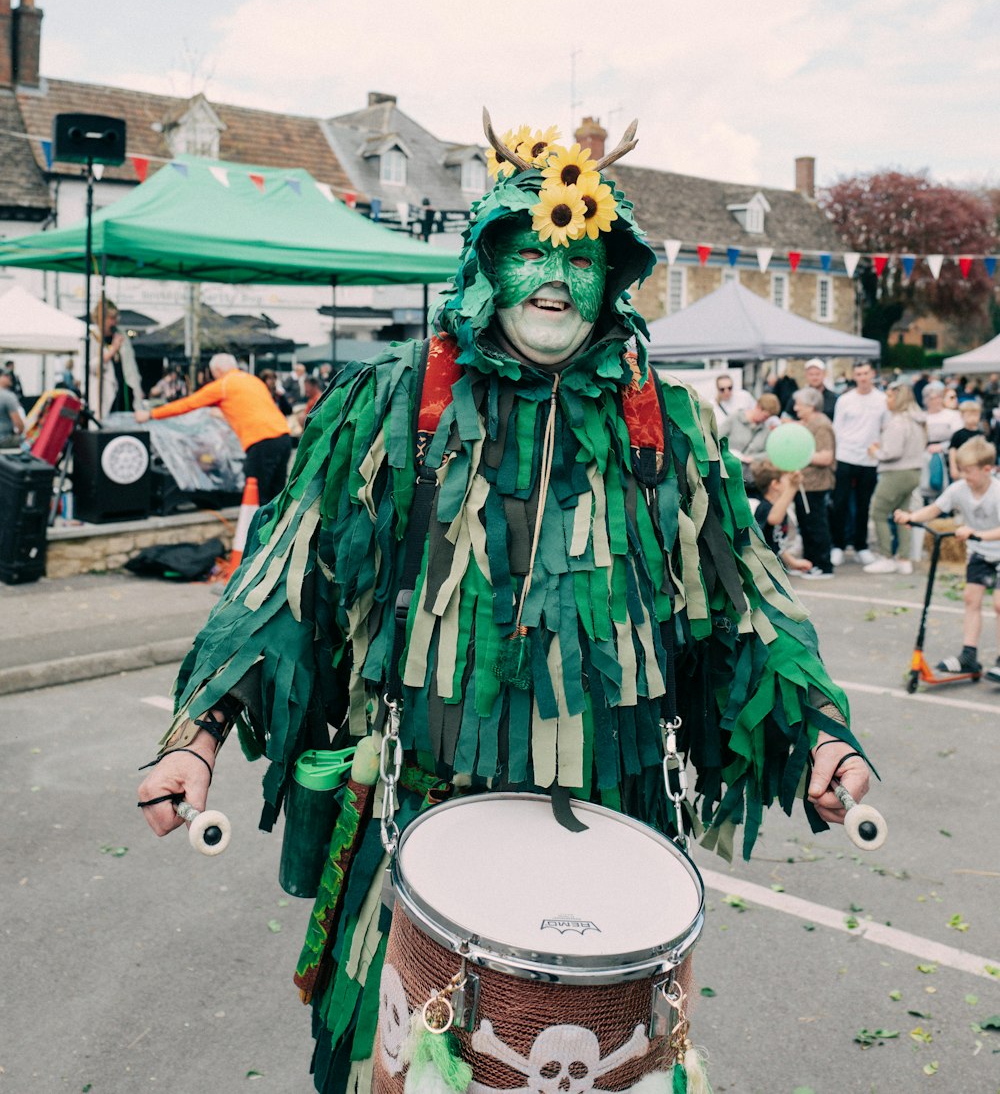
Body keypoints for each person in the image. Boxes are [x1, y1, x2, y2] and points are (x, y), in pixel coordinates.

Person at [137, 119, 871, 1093]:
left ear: (614, 278)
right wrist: (198, 733)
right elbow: (284, 576)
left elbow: (751, 603)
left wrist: (820, 731)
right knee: (396, 1066)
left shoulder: (673, 431)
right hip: (423, 803)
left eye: (578, 257)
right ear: (487, 265)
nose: (555, 280)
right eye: (530, 251)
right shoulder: (392, 405)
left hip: (618, 818)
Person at [895, 436, 1000, 681]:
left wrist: (978, 534)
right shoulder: (959, 489)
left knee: (998, 604)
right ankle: (968, 655)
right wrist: (912, 517)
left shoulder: (997, 492)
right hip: (980, 554)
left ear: (988, 469)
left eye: (969, 472)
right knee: (970, 599)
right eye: (961, 471)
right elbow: (935, 509)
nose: (964, 476)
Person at [136, 352, 292, 504]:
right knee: (277, 494)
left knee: (258, 495)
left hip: (262, 440)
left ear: (217, 371)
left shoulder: (223, 385)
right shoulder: (253, 380)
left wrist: (151, 414)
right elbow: (252, 408)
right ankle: (279, 529)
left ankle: (259, 529)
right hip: (283, 436)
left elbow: (188, 404)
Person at [863, 383, 926, 574]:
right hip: (914, 472)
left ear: (898, 399)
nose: (886, 401)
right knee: (903, 516)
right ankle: (904, 558)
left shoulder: (898, 422)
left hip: (896, 472)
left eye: (890, 397)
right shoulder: (918, 420)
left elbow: (892, 452)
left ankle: (886, 556)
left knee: (878, 513)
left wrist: (876, 451)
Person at [829, 361, 886, 564]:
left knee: (864, 504)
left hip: (869, 459)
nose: (863, 377)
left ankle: (861, 546)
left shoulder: (882, 400)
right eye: (859, 374)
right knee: (840, 503)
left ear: (872, 374)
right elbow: (837, 429)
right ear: (854, 376)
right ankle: (838, 545)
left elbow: (884, 428)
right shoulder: (845, 400)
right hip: (845, 456)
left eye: (866, 373)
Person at [791, 387, 836, 579]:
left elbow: (826, 457)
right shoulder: (808, 423)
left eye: (799, 404)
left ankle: (823, 564)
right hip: (804, 483)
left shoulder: (821, 424)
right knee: (806, 524)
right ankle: (810, 563)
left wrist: (800, 455)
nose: (795, 408)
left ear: (811, 405)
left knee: (816, 524)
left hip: (816, 484)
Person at [749, 460, 813, 575]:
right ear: (775, 485)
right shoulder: (764, 507)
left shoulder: (781, 510)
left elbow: (778, 543)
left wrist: (793, 562)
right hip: (762, 570)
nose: (792, 482)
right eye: (788, 480)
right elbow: (774, 519)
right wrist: (792, 488)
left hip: (774, 569)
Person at [88, 299, 144, 415]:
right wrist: (112, 350)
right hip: (106, 394)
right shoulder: (92, 337)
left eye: (115, 318)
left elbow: (131, 365)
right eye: (111, 318)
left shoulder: (121, 335)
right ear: (101, 319)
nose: (114, 322)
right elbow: (91, 367)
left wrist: (138, 387)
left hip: (126, 390)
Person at [725, 391, 781, 487]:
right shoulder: (735, 419)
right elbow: (717, 438)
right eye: (765, 416)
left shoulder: (766, 429)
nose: (766, 420)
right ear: (758, 407)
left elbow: (769, 453)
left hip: (749, 478)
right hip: (729, 472)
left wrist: (753, 458)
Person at [920, 381, 962, 504]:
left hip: (948, 457)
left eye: (939, 397)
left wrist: (942, 447)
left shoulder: (953, 415)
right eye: (933, 398)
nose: (936, 401)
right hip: (926, 457)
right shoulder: (922, 417)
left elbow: (958, 437)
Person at [949, 398, 986, 481]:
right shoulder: (958, 434)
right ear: (962, 416)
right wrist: (953, 468)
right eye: (969, 415)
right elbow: (952, 451)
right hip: (962, 470)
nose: (973, 418)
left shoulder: (981, 434)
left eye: (976, 415)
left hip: (977, 469)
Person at [0, 369, 25, 448]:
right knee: (29, 440)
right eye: (6, 376)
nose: (10, 377)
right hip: (4, 439)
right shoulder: (8, 396)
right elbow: (18, 424)